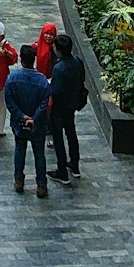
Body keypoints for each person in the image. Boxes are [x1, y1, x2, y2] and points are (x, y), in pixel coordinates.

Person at [5, 44, 51, 197]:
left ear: (21, 60)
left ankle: (19, 180)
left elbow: (9, 100)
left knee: (20, 151)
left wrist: (21, 116)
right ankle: (41, 185)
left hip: (19, 123)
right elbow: (44, 102)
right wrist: (34, 118)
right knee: (39, 154)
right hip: (37, 125)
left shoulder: (13, 78)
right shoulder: (42, 80)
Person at [48, 32, 86, 186]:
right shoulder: (77, 61)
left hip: (59, 109)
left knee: (58, 139)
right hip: (72, 105)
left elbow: (55, 91)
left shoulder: (58, 68)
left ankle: (62, 172)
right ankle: (75, 166)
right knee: (71, 134)